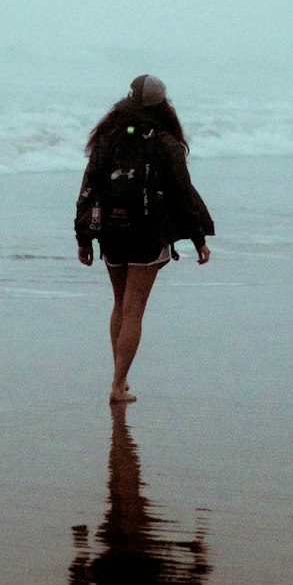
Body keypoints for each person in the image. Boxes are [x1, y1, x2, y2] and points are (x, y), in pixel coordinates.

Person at [75, 74, 214, 403]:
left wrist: (83, 237)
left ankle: (119, 381)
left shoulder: (107, 135)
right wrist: (198, 238)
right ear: (162, 103)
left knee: (120, 305)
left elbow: (89, 187)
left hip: (110, 232)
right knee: (134, 310)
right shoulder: (166, 141)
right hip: (147, 233)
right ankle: (117, 383)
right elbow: (182, 193)